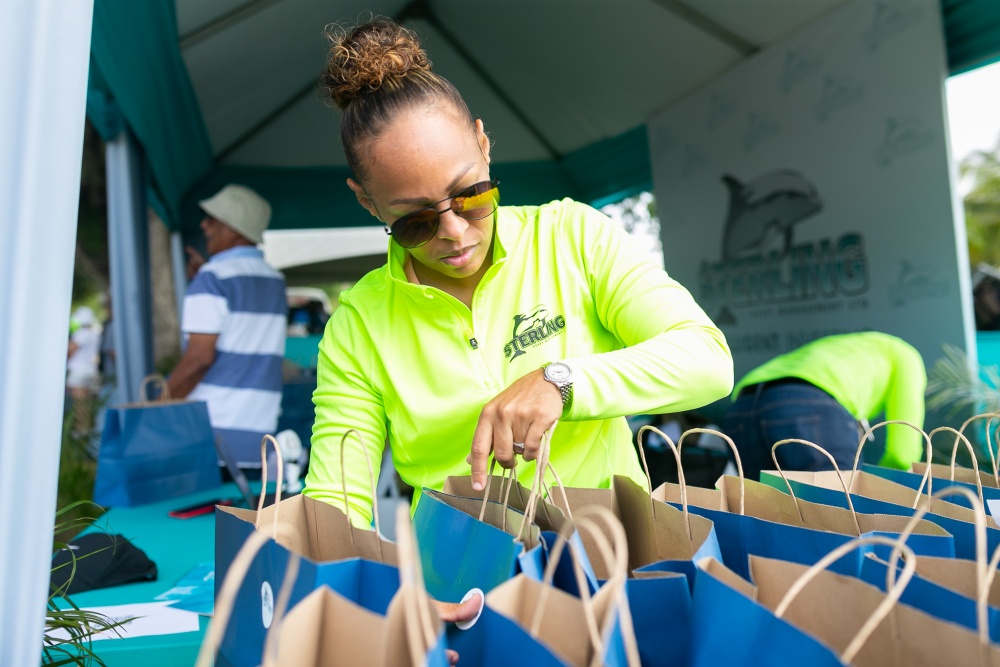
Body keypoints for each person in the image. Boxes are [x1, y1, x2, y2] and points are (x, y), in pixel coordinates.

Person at [304, 18, 733, 528]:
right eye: (415, 221)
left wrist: (562, 382)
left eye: (471, 196)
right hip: (464, 586)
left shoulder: (571, 236)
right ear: (367, 202)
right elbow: (337, 503)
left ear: (484, 146)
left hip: (614, 553)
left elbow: (708, 362)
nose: (455, 233)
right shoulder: (357, 325)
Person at [166, 184, 288, 475]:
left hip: (208, 435)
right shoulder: (275, 281)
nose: (203, 225)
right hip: (257, 437)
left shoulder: (213, 278)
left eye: (212, 219)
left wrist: (158, 406)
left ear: (235, 229)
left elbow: (199, 360)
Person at [722, 332, 927, 483]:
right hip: (809, 404)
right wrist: (876, 497)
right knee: (838, 515)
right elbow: (902, 455)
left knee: (765, 512)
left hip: (742, 407)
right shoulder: (906, 356)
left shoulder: (843, 348)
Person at [66, 306, 102, 434]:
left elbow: (71, 349)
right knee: (89, 406)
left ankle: (81, 434)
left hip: (78, 372)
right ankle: (89, 433)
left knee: (79, 407)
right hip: (91, 371)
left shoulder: (81, 334)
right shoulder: (94, 334)